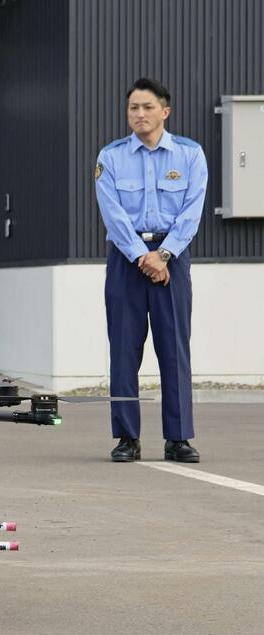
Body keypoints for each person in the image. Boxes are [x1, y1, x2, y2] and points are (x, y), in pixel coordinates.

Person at [95, 78, 208, 463]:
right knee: (124, 349)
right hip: (126, 261)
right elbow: (112, 213)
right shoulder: (110, 157)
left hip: (172, 260)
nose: (139, 114)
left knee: (174, 349)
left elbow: (192, 212)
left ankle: (178, 438)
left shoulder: (190, 155)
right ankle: (127, 437)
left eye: (147, 107)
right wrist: (142, 256)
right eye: (133, 108)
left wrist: (164, 254)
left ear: (165, 111)